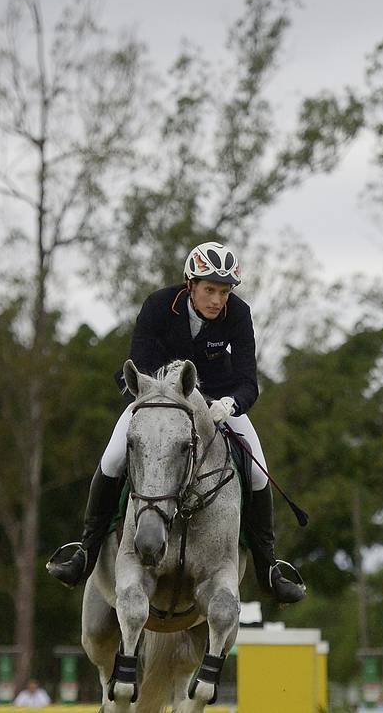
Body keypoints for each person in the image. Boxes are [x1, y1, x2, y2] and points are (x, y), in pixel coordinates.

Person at [45, 241, 306, 604]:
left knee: (259, 472)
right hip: (157, 403)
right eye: (210, 290)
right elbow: (137, 363)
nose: (217, 300)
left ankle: (268, 569)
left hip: (217, 405)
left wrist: (231, 404)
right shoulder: (158, 305)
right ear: (191, 285)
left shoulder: (238, 314)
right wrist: (154, 405)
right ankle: (85, 554)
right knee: (113, 457)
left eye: (224, 291)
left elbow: (249, 380)